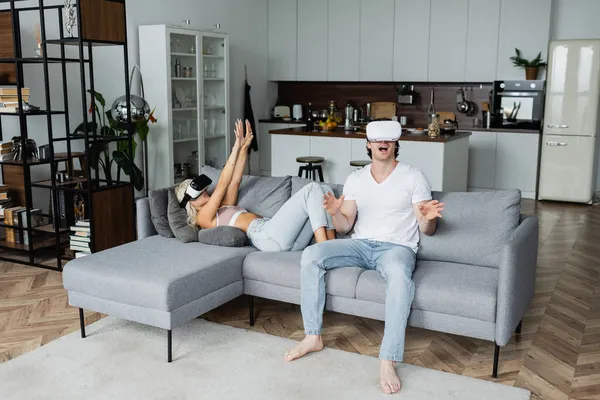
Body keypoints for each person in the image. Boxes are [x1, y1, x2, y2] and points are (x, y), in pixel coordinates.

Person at [283, 120, 444, 395]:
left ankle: (388, 359)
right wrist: (334, 211)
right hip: (360, 245)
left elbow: (426, 228)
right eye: (377, 140)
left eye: (389, 140)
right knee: (311, 254)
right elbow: (345, 226)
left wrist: (429, 219)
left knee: (399, 279)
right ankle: (313, 336)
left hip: (397, 248)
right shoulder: (356, 179)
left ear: (395, 145)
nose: (383, 144)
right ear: (369, 145)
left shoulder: (414, 177)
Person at [175, 119, 336, 252]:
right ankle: (324, 250)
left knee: (325, 191)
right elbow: (223, 183)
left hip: (286, 240)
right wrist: (235, 148)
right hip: (266, 236)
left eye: (202, 189)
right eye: (198, 192)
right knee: (312, 188)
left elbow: (236, 180)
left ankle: (334, 248)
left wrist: (244, 147)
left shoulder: (224, 206)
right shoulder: (203, 218)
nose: (204, 191)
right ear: (190, 203)